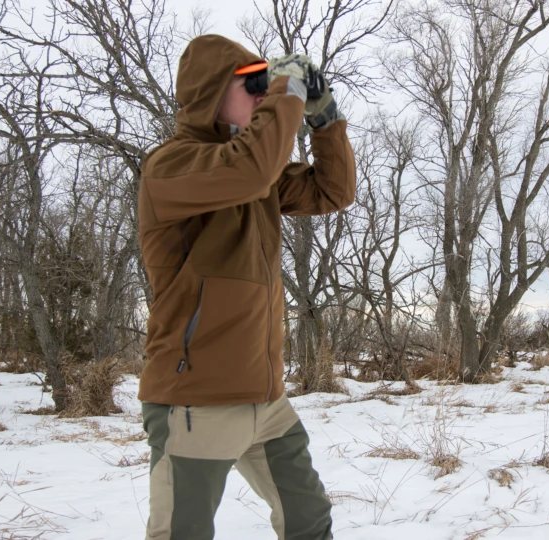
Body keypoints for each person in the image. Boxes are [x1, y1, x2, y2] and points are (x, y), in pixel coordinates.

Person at [137, 34, 355, 540]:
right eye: (253, 83)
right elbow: (250, 169)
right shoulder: (170, 166)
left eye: (266, 83)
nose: (263, 94)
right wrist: (287, 89)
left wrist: (324, 118)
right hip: (197, 400)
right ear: (212, 91)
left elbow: (333, 190)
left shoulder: (255, 172)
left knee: (309, 519)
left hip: (265, 399)